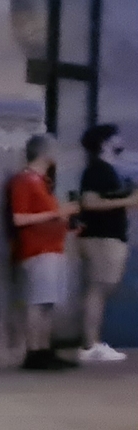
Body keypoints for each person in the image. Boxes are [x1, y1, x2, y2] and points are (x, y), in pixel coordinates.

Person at [11, 133, 74, 370]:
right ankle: (33, 351)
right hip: (36, 250)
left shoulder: (43, 183)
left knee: (48, 302)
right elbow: (19, 218)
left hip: (53, 248)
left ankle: (45, 348)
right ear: (45, 152)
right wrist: (56, 214)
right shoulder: (24, 181)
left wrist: (64, 223)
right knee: (38, 302)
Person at [73, 123, 133, 362]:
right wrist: (128, 201)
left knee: (103, 288)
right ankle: (90, 344)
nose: (121, 140)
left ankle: (94, 341)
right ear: (105, 142)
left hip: (110, 237)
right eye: (115, 137)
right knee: (98, 288)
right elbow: (89, 202)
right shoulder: (97, 170)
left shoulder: (108, 170)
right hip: (101, 238)